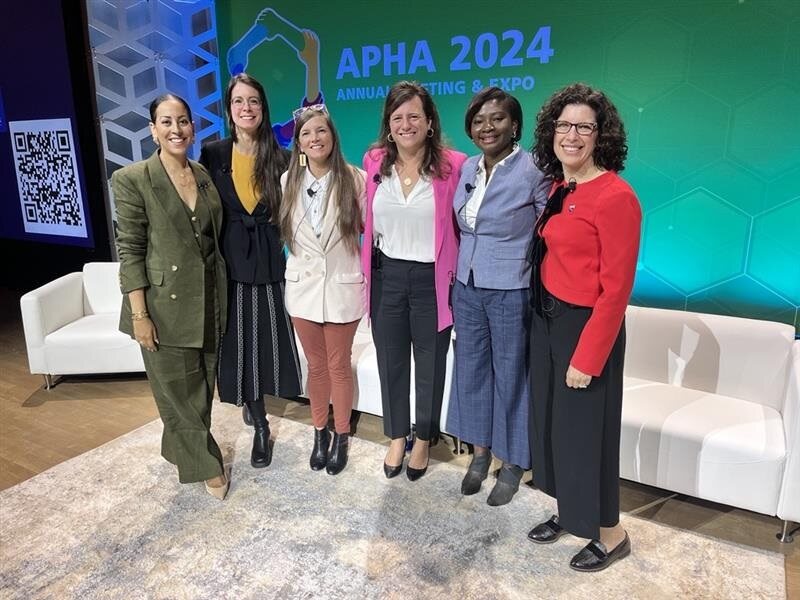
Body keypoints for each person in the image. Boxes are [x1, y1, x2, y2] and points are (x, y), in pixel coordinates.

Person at [526, 83, 641, 572]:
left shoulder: (616, 197)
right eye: (564, 125)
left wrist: (587, 357)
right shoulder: (561, 186)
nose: (571, 135)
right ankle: (569, 512)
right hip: (547, 321)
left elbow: (616, 291)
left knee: (586, 436)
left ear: (601, 135)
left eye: (583, 127)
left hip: (585, 329)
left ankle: (610, 533)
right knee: (553, 428)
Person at [114, 93, 229, 500]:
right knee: (179, 393)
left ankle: (176, 447)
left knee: (200, 387)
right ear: (153, 130)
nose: (176, 130)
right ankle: (207, 465)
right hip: (163, 307)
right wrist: (139, 313)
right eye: (166, 122)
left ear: (192, 127)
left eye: (182, 121)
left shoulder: (201, 173)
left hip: (211, 298)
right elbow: (130, 249)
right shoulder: (132, 180)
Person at [446, 87, 549, 506]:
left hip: (511, 288)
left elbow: (549, 230)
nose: (487, 127)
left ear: (515, 125)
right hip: (467, 286)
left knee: (511, 376)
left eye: (497, 119)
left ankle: (511, 462)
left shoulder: (533, 169)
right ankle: (480, 452)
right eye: (478, 120)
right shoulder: (468, 167)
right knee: (471, 371)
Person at [361, 81, 467, 481]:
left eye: (414, 117)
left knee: (430, 364)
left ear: (429, 122)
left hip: (432, 280)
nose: (406, 124)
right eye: (397, 117)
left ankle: (423, 438)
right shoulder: (375, 161)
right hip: (387, 276)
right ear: (389, 124)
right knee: (390, 361)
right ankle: (395, 435)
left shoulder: (454, 165)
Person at [200, 74, 303, 470]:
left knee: (266, 342)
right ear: (229, 109)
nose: (247, 108)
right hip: (230, 261)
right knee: (239, 344)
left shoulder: (283, 156)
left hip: (268, 260)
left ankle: (260, 414)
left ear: (264, 108)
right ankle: (260, 422)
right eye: (239, 101)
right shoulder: (212, 154)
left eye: (254, 101)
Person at [278, 105, 366, 475]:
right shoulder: (287, 181)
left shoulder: (356, 179)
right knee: (315, 366)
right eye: (307, 134)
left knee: (338, 366)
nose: (315, 139)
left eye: (321, 131)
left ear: (332, 136)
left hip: (342, 288)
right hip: (302, 291)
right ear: (299, 143)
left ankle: (342, 433)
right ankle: (319, 432)